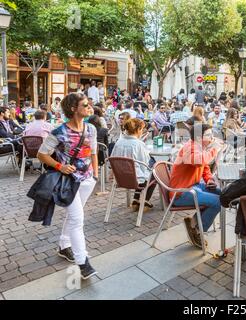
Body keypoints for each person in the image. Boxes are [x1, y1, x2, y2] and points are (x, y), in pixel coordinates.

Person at [37, 93, 99, 279]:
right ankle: (83, 263)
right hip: (68, 182)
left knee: (74, 217)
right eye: (85, 105)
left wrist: (95, 175)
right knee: (77, 220)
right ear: (73, 109)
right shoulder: (59, 132)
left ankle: (64, 245)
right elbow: (42, 154)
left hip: (87, 180)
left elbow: (94, 153)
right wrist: (60, 166)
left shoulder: (91, 129)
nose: (90, 108)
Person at [169, 123, 222, 248]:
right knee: (219, 201)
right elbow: (199, 162)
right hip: (181, 192)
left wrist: (209, 179)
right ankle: (197, 229)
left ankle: (194, 222)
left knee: (222, 194)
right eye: (209, 135)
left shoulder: (198, 147)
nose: (212, 137)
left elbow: (204, 167)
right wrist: (214, 149)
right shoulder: (190, 147)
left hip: (194, 186)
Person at [111, 118, 157, 211]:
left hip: (120, 179)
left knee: (139, 171)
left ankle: (136, 200)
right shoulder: (138, 144)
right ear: (138, 129)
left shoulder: (118, 142)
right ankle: (145, 202)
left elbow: (111, 159)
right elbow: (145, 164)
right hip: (136, 180)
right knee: (155, 173)